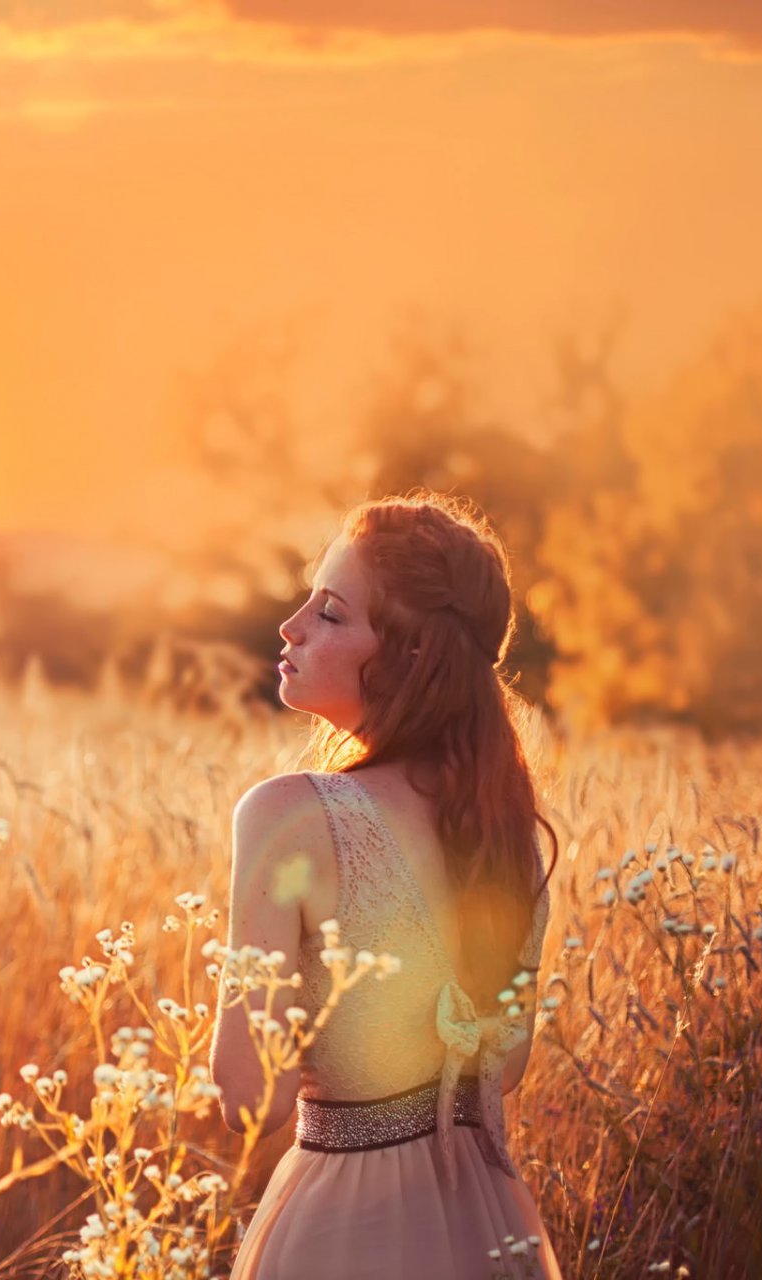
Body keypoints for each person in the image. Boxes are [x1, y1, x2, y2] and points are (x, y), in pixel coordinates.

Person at [208, 491, 564, 1279]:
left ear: (408, 657)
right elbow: (503, 1069)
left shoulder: (287, 815)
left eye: (331, 612)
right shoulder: (509, 834)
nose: (290, 625)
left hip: (342, 1229)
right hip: (489, 1224)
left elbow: (248, 1100)